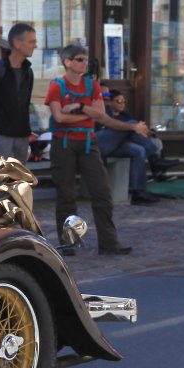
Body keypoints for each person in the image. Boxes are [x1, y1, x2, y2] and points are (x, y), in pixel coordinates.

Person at [45, 45, 129, 256]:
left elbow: (100, 114)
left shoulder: (92, 85)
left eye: (86, 60)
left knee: (102, 192)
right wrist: (88, 115)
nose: (85, 63)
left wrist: (80, 107)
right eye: (80, 59)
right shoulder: (57, 86)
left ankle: (109, 242)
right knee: (66, 195)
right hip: (64, 143)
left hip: (88, 143)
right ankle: (69, 243)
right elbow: (59, 117)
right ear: (68, 62)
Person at [95, 90, 178, 205]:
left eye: (124, 101)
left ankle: (138, 193)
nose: (122, 104)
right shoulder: (104, 110)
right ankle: (154, 160)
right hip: (99, 144)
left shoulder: (125, 115)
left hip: (118, 145)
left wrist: (145, 132)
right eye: (119, 101)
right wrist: (134, 127)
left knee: (139, 150)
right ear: (109, 102)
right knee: (132, 124)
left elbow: (134, 131)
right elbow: (112, 125)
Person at [0, 22, 36, 161]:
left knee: (19, 174)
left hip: (22, 136)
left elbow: (25, 104)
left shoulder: (28, 72)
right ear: (17, 43)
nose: (35, 46)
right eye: (31, 42)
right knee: (3, 174)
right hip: (1, 135)